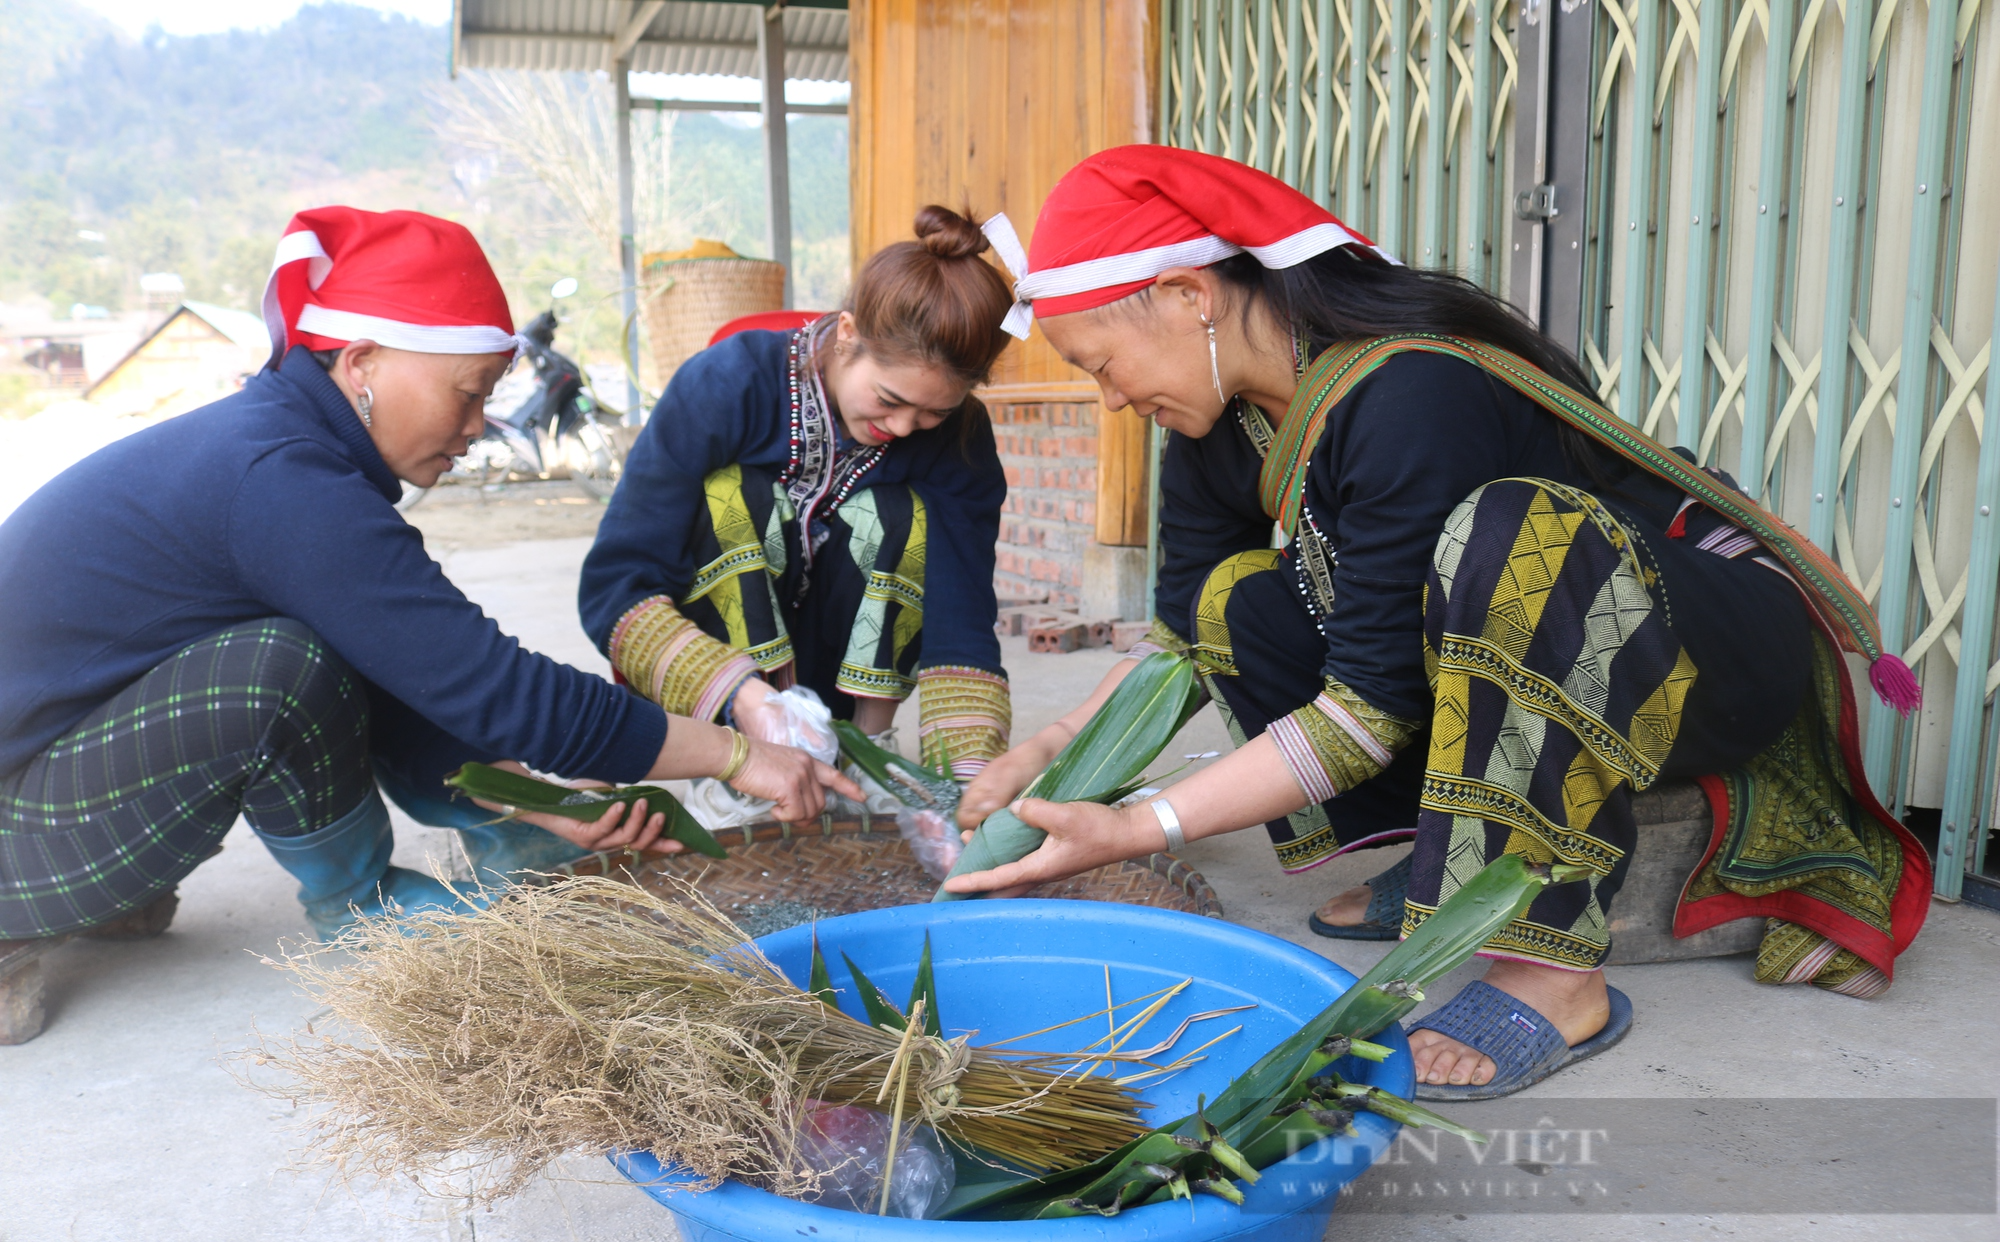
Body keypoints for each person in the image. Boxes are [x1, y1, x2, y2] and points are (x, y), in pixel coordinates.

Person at [944, 148, 1931, 1098]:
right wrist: (1056, 747)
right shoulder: (1221, 423)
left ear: (1188, 296)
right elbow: (1179, 648)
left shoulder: (1413, 388)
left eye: (1103, 365)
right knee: (1228, 602)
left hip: (1702, 647)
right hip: (1560, 649)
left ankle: (1552, 974)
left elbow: (1364, 710)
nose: (1110, 400)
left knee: (1511, 544)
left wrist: (1135, 824)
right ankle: (1440, 857)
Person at [0, 207, 855, 944]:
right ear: (362, 362)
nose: (479, 426)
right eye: (469, 393)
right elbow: (494, 688)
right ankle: (358, 907)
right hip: (15, 835)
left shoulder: (285, 447)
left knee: (334, 643)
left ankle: (478, 832)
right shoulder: (279, 480)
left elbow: (406, 665)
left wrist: (521, 799)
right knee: (278, 666)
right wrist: (736, 754)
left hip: (61, 780)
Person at [580, 207, 1015, 781]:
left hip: (839, 674)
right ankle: (742, 753)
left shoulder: (961, 435)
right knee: (735, 493)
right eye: (889, 399)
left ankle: (867, 752)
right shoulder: (725, 384)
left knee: (900, 514)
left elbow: (962, 609)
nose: (906, 427)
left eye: (935, 411)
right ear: (848, 333)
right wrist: (747, 702)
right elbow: (617, 583)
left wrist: (970, 776)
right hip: (724, 688)